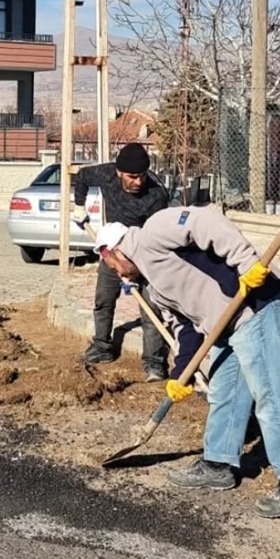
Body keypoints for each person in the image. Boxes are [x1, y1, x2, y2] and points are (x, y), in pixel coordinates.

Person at [93, 207, 280, 519]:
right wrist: (181, 373)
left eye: (112, 265)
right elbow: (184, 329)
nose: (119, 274)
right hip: (227, 324)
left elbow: (206, 222)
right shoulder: (153, 289)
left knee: (269, 392)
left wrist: (246, 263)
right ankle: (218, 464)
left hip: (257, 305)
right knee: (224, 390)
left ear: (114, 250)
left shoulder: (154, 231)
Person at [73, 143, 171, 381]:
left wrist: (133, 271)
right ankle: (102, 347)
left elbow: (154, 241)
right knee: (103, 299)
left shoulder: (156, 196)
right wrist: (79, 207)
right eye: (132, 177)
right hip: (112, 244)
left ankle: (154, 363)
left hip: (145, 252)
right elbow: (82, 177)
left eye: (142, 176)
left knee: (151, 310)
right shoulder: (106, 174)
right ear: (119, 172)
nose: (138, 182)